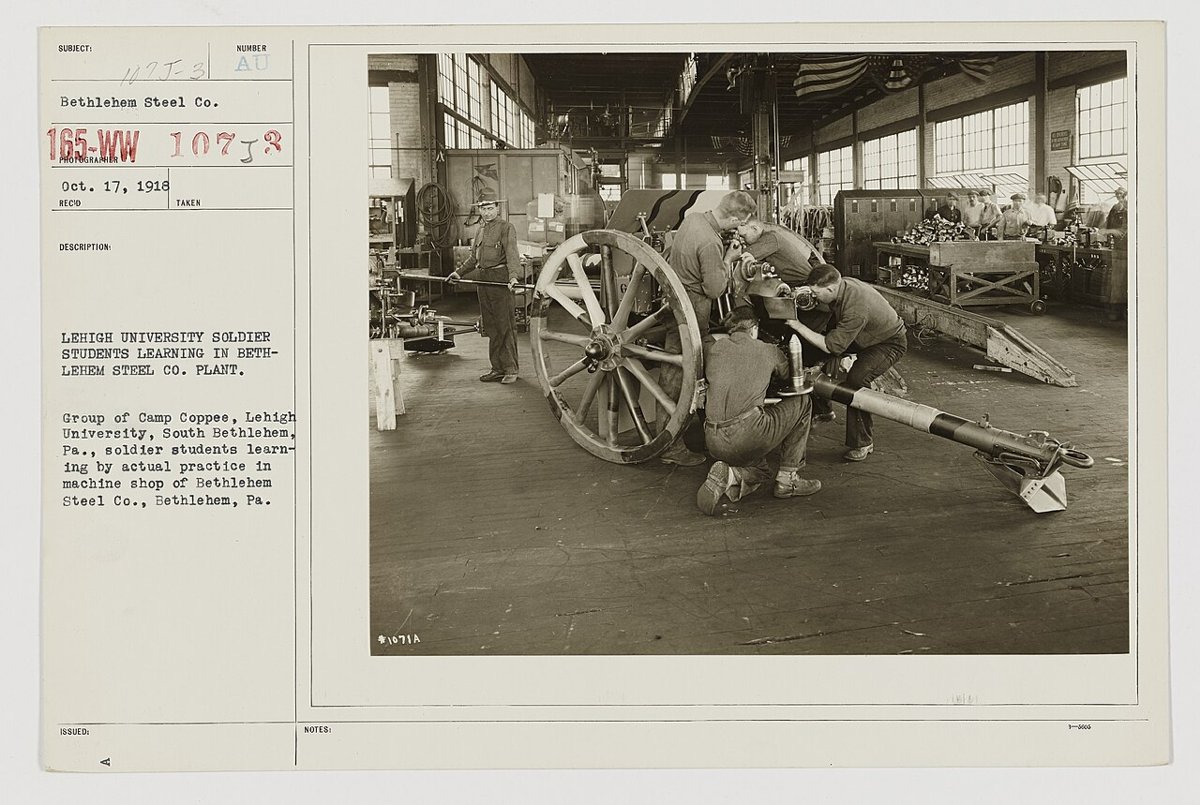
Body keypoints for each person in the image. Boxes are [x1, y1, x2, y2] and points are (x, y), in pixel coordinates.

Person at [657, 189, 758, 466]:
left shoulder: (693, 220)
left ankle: (681, 433)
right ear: (734, 218)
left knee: (677, 370)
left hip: (675, 301)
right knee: (678, 375)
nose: (739, 227)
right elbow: (714, 290)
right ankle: (669, 446)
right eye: (740, 222)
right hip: (691, 311)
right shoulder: (710, 242)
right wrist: (729, 259)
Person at [696, 307, 821, 515]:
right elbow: (789, 377)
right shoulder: (768, 350)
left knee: (761, 472)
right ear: (754, 328)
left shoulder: (715, 348)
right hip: (746, 436)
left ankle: (729, 475)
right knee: (803, 402)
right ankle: (788, 480)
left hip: (713, 440)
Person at [785, 264, 907, 462]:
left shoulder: (856, 308)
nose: (814, 297)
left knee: (856, 381)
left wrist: (796, 325)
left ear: (830, 289)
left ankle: (863, 442)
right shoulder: (841, 285)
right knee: (811, 355)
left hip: (888, 343)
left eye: (816, 293)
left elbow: (831, 346)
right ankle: (823, 411)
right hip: (864, 335)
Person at [446, 189, 522, 384]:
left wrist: (513, 277)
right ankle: (497, 368)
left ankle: (511, 369)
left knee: (505, 325)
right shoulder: (480, 230)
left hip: (499, 280)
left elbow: (512, 254)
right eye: (483, 209)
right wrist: (458, 273)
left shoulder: (506, 228)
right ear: (479, 210)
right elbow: (474, 258)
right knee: (491, 326)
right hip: (483, 280)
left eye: (490, 208)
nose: (487, 212)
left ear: (497, 208)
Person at [736, 220, 821, 285]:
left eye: (744, 236)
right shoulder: (769, 237)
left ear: (755, 229)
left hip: (803, 284)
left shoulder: (770, 238)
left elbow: (741, 256)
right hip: (795, 283)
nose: (742, 241)